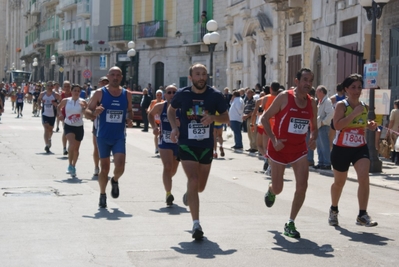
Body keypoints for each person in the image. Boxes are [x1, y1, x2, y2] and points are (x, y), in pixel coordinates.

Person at [167, 63, 229, 240]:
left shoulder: (215, 95)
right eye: (197, 74)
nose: (201, 77)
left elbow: (226, 117)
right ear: (191, 77)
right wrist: (174, 129)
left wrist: (213, 118)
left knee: (199, 187)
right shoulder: (182, 94)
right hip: (186, 143)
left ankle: (190, 193)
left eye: (204, 74)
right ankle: (196, 224)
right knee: (193, 179)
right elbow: (171, 112)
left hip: (206, 146)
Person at [261, 68, 317, 238]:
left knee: (302, 186)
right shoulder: (285, 97)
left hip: (299, 149)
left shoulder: (312, 102)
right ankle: (271, 190)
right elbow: (264, 118)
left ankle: (290, 222)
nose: (308, 83)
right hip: (279, 148)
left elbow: (314, 127)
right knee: (278, 188)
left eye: (311, 80)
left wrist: (313, 138)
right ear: (297, 81)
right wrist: (274, 139)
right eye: (305, 79)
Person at [329, 74, 378, 227]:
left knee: (364, 177)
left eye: (359, 87)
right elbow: (337, 125)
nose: (356, 91)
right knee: (339, 183)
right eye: (353, 87)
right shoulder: (342, 106)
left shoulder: (364, 106)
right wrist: (354, 113)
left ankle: (362, 214)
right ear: (346, 89)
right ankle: (334, 209)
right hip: (341, 148)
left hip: (359, 147)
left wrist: (369, 125)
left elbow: (361, 123)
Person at [85, 66, 133, 208]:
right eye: (112, 74)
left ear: (121, 77)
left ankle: (115, 180)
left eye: (118, 75)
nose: (115, 77)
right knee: (104, 168)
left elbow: (129, 111)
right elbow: (87, 111)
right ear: (108, 76)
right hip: (103, 136)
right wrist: (94, 113)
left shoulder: (126, 94)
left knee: (120, 167)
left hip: (119, 136)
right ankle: (102, 194)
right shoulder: (100, 93)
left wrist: (129, 119)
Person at [148, 85, 180, 206]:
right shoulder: (160, 106)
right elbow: (150, 115)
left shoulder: (182, 107)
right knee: (167, 166)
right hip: (165, 141)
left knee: (173, 170)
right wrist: (154, 127)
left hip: (178, 142)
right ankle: (168, 193)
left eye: (174, 92)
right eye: (169, 92)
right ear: (165, 95)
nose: (172, 94)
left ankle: (167, 179)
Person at [57, 84, 88, 177]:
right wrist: (60, 114)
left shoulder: (83, 102)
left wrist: (84, 108)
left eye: (78, 91)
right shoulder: (66, 101)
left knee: (76, 149)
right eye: (75, 90)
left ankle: (74, 166)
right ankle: (69, 165)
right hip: (68, 125)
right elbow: (58, 107)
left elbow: (86, 113)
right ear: (71, 91)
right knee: (71, 144)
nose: (76, 92)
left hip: (79, 126)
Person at [90, 76, 109, 176]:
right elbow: (89, 109)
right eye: (103, 82)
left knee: (107, 148)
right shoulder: (95, 94)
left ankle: (104, 167)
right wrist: (94, 112)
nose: (105, 84)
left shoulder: (114, 94)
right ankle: (96, 166)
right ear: (99, 83)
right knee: (97, 147)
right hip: (97, 124)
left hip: (109, 126)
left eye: (107, 82)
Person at [314, 85, 334, 170]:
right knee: (319, 145)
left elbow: (331, 113)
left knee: (324, 145)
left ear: (321, 92)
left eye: (317, 91)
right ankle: (321, 162)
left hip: (324, 126)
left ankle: (327, 163)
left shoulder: (327, 101)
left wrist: (323, 122)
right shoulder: (321, 101)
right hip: (319, 126)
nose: (316, 93)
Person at [37, 81, 61, 153]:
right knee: (46, 128)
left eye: (51, 86)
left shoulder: (55, 94)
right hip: (45, 113)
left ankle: (49, 139)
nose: (49, 87)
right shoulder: (42, 94)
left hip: (52, 114)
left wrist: (56, 104)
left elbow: (60, 102)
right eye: (48, 85)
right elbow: (38, 99)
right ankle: (47, 145)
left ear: (53, 87)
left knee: (50, 129)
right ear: (46, 86)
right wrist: (39, 105)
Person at [60, 81, 73, 155]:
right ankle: (64, 148)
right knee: (65, 131)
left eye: (68, 86)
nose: (67, 88)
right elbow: (59, 106)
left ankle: (71, 146)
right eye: (65, 86)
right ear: (63, 87)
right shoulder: (61, 95)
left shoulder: (73, 94)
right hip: (65, 115)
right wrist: (60, 114)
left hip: (73, 115)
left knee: (72, 132)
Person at [244, 88, 257, 153]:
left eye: (249, 93)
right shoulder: (247, 101)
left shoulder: (254, 101)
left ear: (252, 93)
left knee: (253, 132)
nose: (248, 94)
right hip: (247, 118)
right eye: (247, 93)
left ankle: (254, 147)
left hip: (252, 118)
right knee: (249, 133)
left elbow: (253, 111)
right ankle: (251, 146)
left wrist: (246, 116)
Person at [387, 100, 399, 164]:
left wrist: (388, 130)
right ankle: (397, 159)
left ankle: (393, 158)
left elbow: (391, 121)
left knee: (394, 145)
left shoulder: (394, 111)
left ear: (395, 105)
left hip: (394, 130)